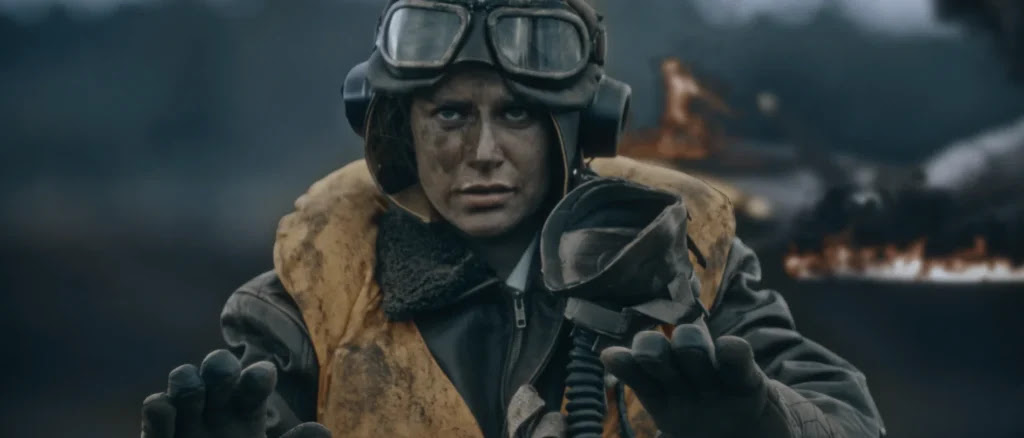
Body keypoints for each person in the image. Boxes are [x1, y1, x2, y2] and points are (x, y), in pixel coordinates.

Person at [140, 1, 885, 437]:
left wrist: (760, 421)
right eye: (451, 114)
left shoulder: (682, 259)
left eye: (518, 114)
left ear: (582, 128)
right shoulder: (308, 302)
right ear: (398, 126)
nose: (483, 153)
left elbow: (850, 419)